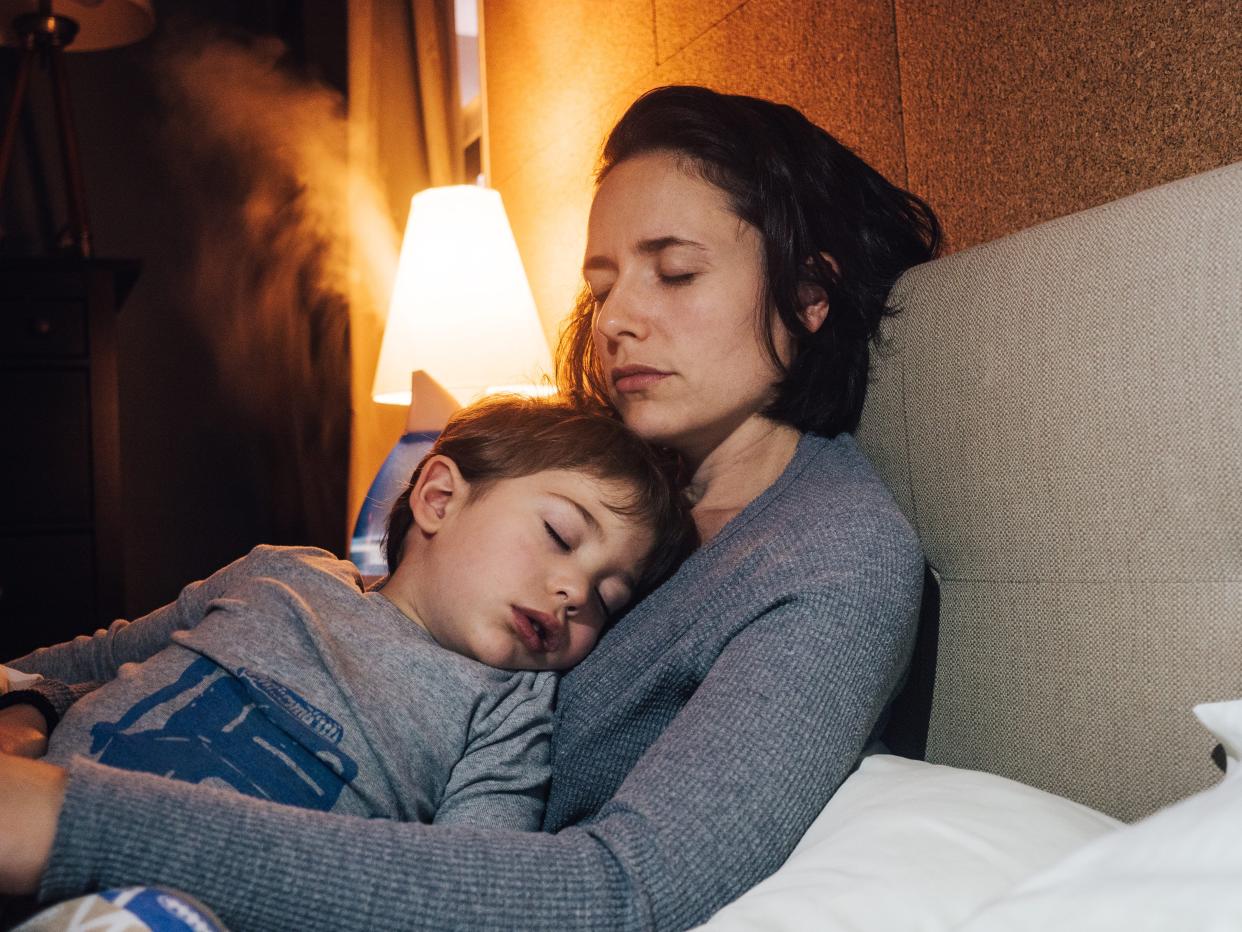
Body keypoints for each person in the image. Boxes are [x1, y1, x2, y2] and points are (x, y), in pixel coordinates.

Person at [0, 84, 942, 930]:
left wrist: (68, 821)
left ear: (810, 292)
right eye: (602, 285)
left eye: (677, 271)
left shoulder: (832, 562)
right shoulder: (604, 471)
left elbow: (623, 894)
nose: (616, 320)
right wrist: (37, 707)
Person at [1, 395, 691, 830]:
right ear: (440, 499)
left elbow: (467, 874)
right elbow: (90, 660)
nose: (575, 593)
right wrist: (32, 703)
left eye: (607, 600)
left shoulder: (508, 711)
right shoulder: (281, 574)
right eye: (562, 537)